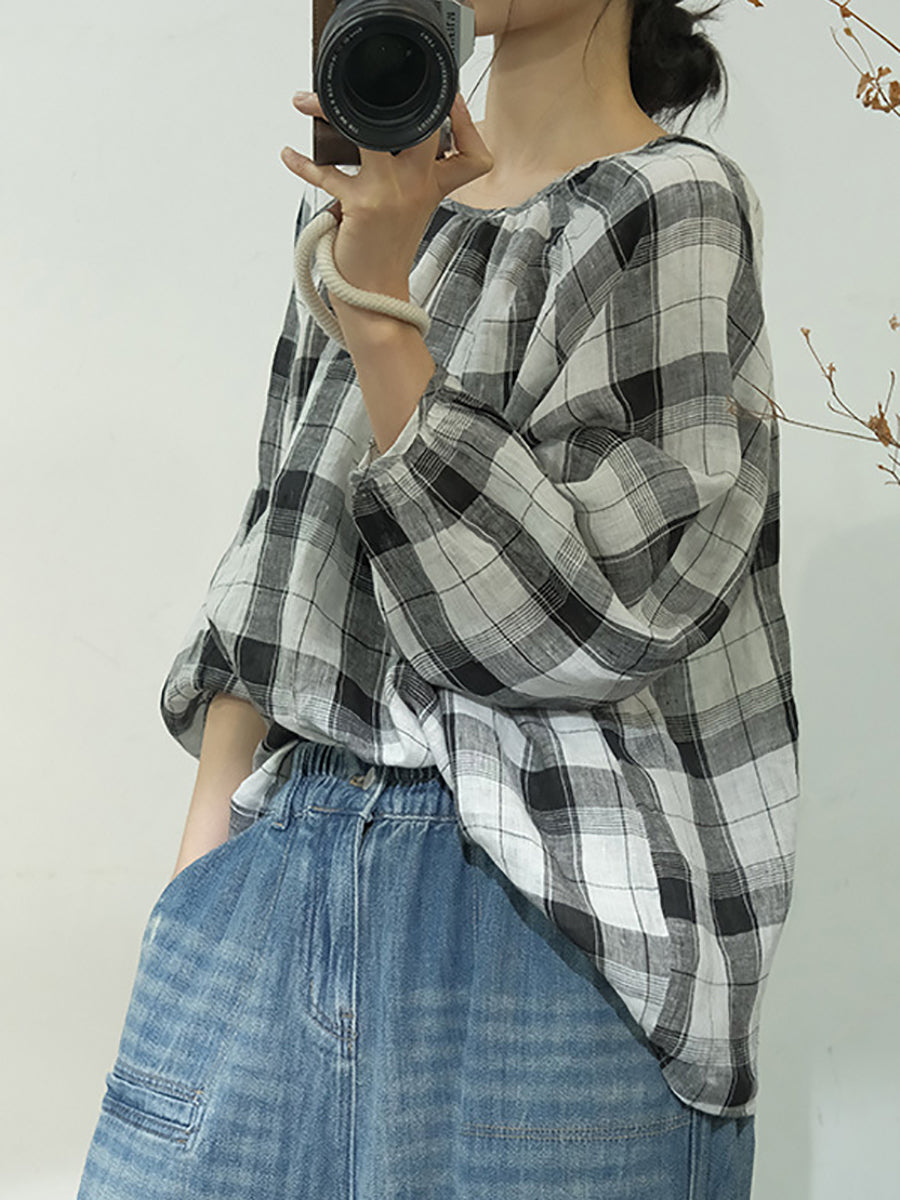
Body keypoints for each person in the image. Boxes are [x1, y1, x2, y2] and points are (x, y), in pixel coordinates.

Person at [77, 2, 799, 1197]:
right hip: (278, 866)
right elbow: (280, 536)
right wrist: (199, 873)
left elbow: (566, 623)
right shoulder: (361, 212)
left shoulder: (672, 207)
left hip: (544, 918)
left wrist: (380, 313)